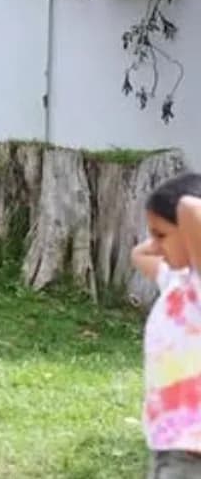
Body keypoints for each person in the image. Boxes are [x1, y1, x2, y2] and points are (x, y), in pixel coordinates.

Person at [132, 172, 201, 479]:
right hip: (170, 445)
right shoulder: (176, 282)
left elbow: (189, 208)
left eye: (161, 235)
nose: (155, 246)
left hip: (192, 452)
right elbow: (139, 254)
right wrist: (165, 239)